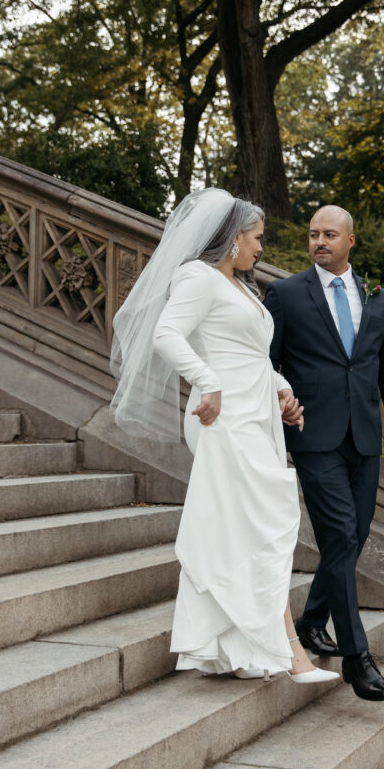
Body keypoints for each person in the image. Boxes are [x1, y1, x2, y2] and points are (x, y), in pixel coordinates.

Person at [109, 187, 338, 685]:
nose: (261, 248)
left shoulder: (240, 287)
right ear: (232, 238)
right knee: (266, 523)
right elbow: (166, 334)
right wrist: (207, 383)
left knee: (243, 531)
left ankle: (235, 651)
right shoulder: (196, 277)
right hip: (223, 417)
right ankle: (291, 653)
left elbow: (250, 355)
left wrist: (283, 391)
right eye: (256, 238)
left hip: (255, 412)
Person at [264, 205, 384, 701]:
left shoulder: (379, 298)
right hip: (312, 435)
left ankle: (311, 623)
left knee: (352, 540)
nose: (319, 241)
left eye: (330, 234)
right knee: (340, 533)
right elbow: (265, 365)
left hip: (365, 438)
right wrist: (277, 414)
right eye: (313, 234)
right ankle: (358, 657)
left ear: (351, 241)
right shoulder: (286, 294)